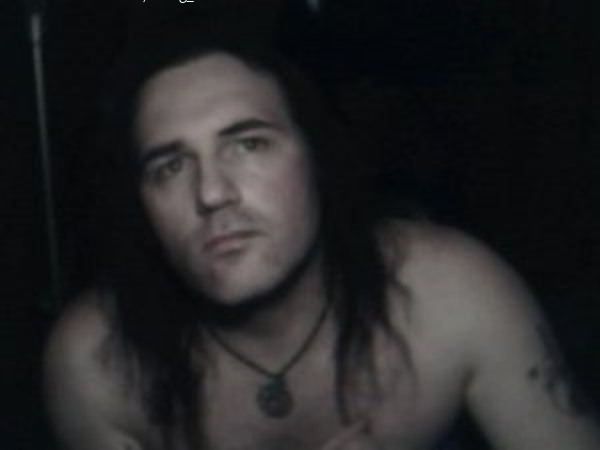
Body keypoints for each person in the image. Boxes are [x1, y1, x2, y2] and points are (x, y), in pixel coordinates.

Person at [43, 29, 599, 450]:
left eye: (249, 144)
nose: (211, 193)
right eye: (169, 167)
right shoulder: (96, 366)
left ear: (317, 161)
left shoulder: (453, 292)